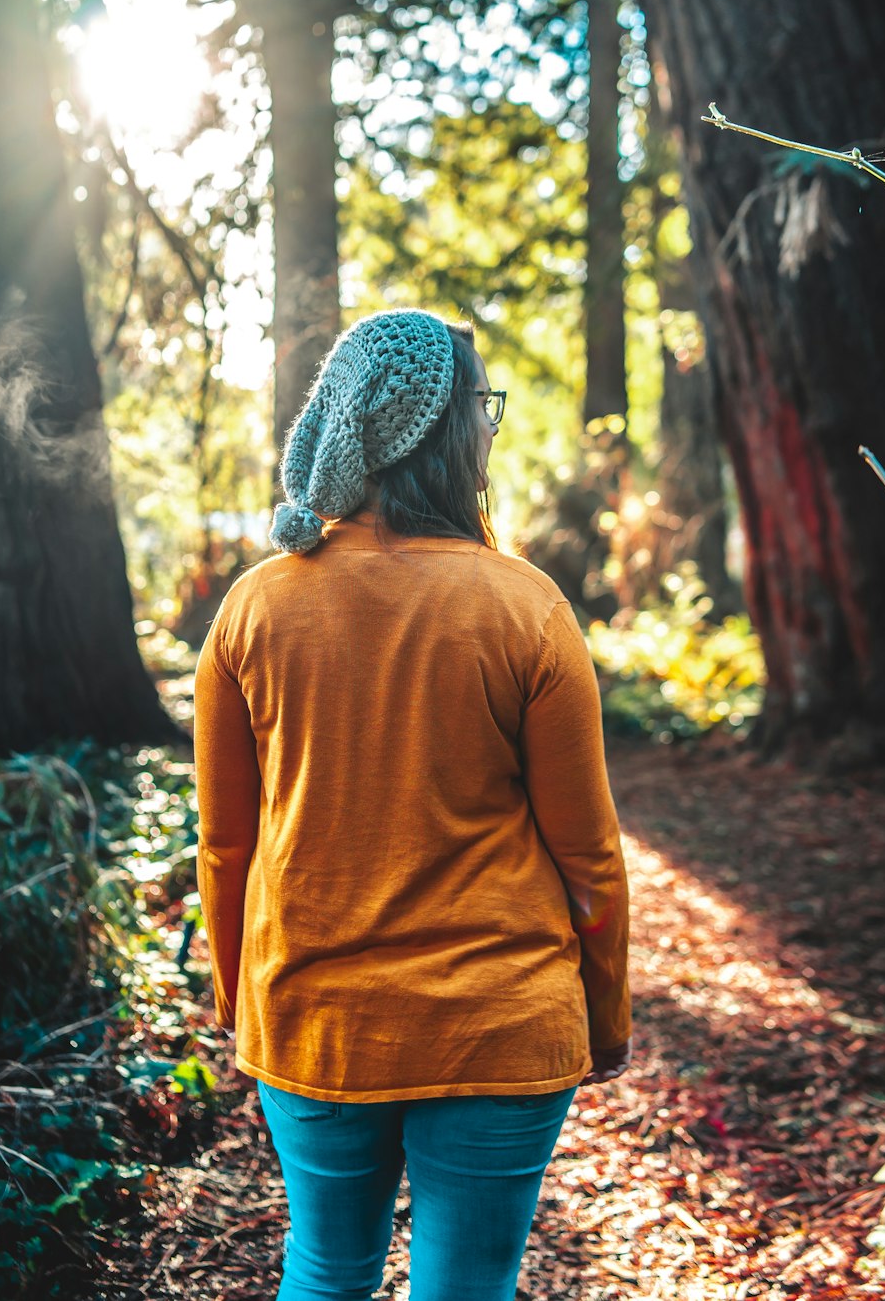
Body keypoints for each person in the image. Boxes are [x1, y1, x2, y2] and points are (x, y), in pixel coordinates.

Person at [193, 308, 632, 1301]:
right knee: (467, 1285)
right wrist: (602, 1015)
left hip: (311, 1016)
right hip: (501, 1022)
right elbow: (589, 857)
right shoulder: (528, 610)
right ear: (439, 432)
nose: (489, 428)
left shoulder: (253, 610)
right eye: (481, 408)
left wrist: (239, 998)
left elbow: (225, 844)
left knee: (326, 1269)